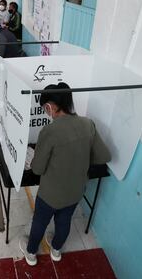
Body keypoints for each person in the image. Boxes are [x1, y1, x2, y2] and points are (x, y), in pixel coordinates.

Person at [19, 82, 111, 266]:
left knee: (40, 221)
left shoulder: (50, 131)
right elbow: (104, 155)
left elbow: (37, 169)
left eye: (45, 109)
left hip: (50, 194)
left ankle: (31, 253)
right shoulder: (88, 124)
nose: (47, 113)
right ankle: (56, 250)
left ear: (50, 106)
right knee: (64, 221)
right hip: (76, 191)